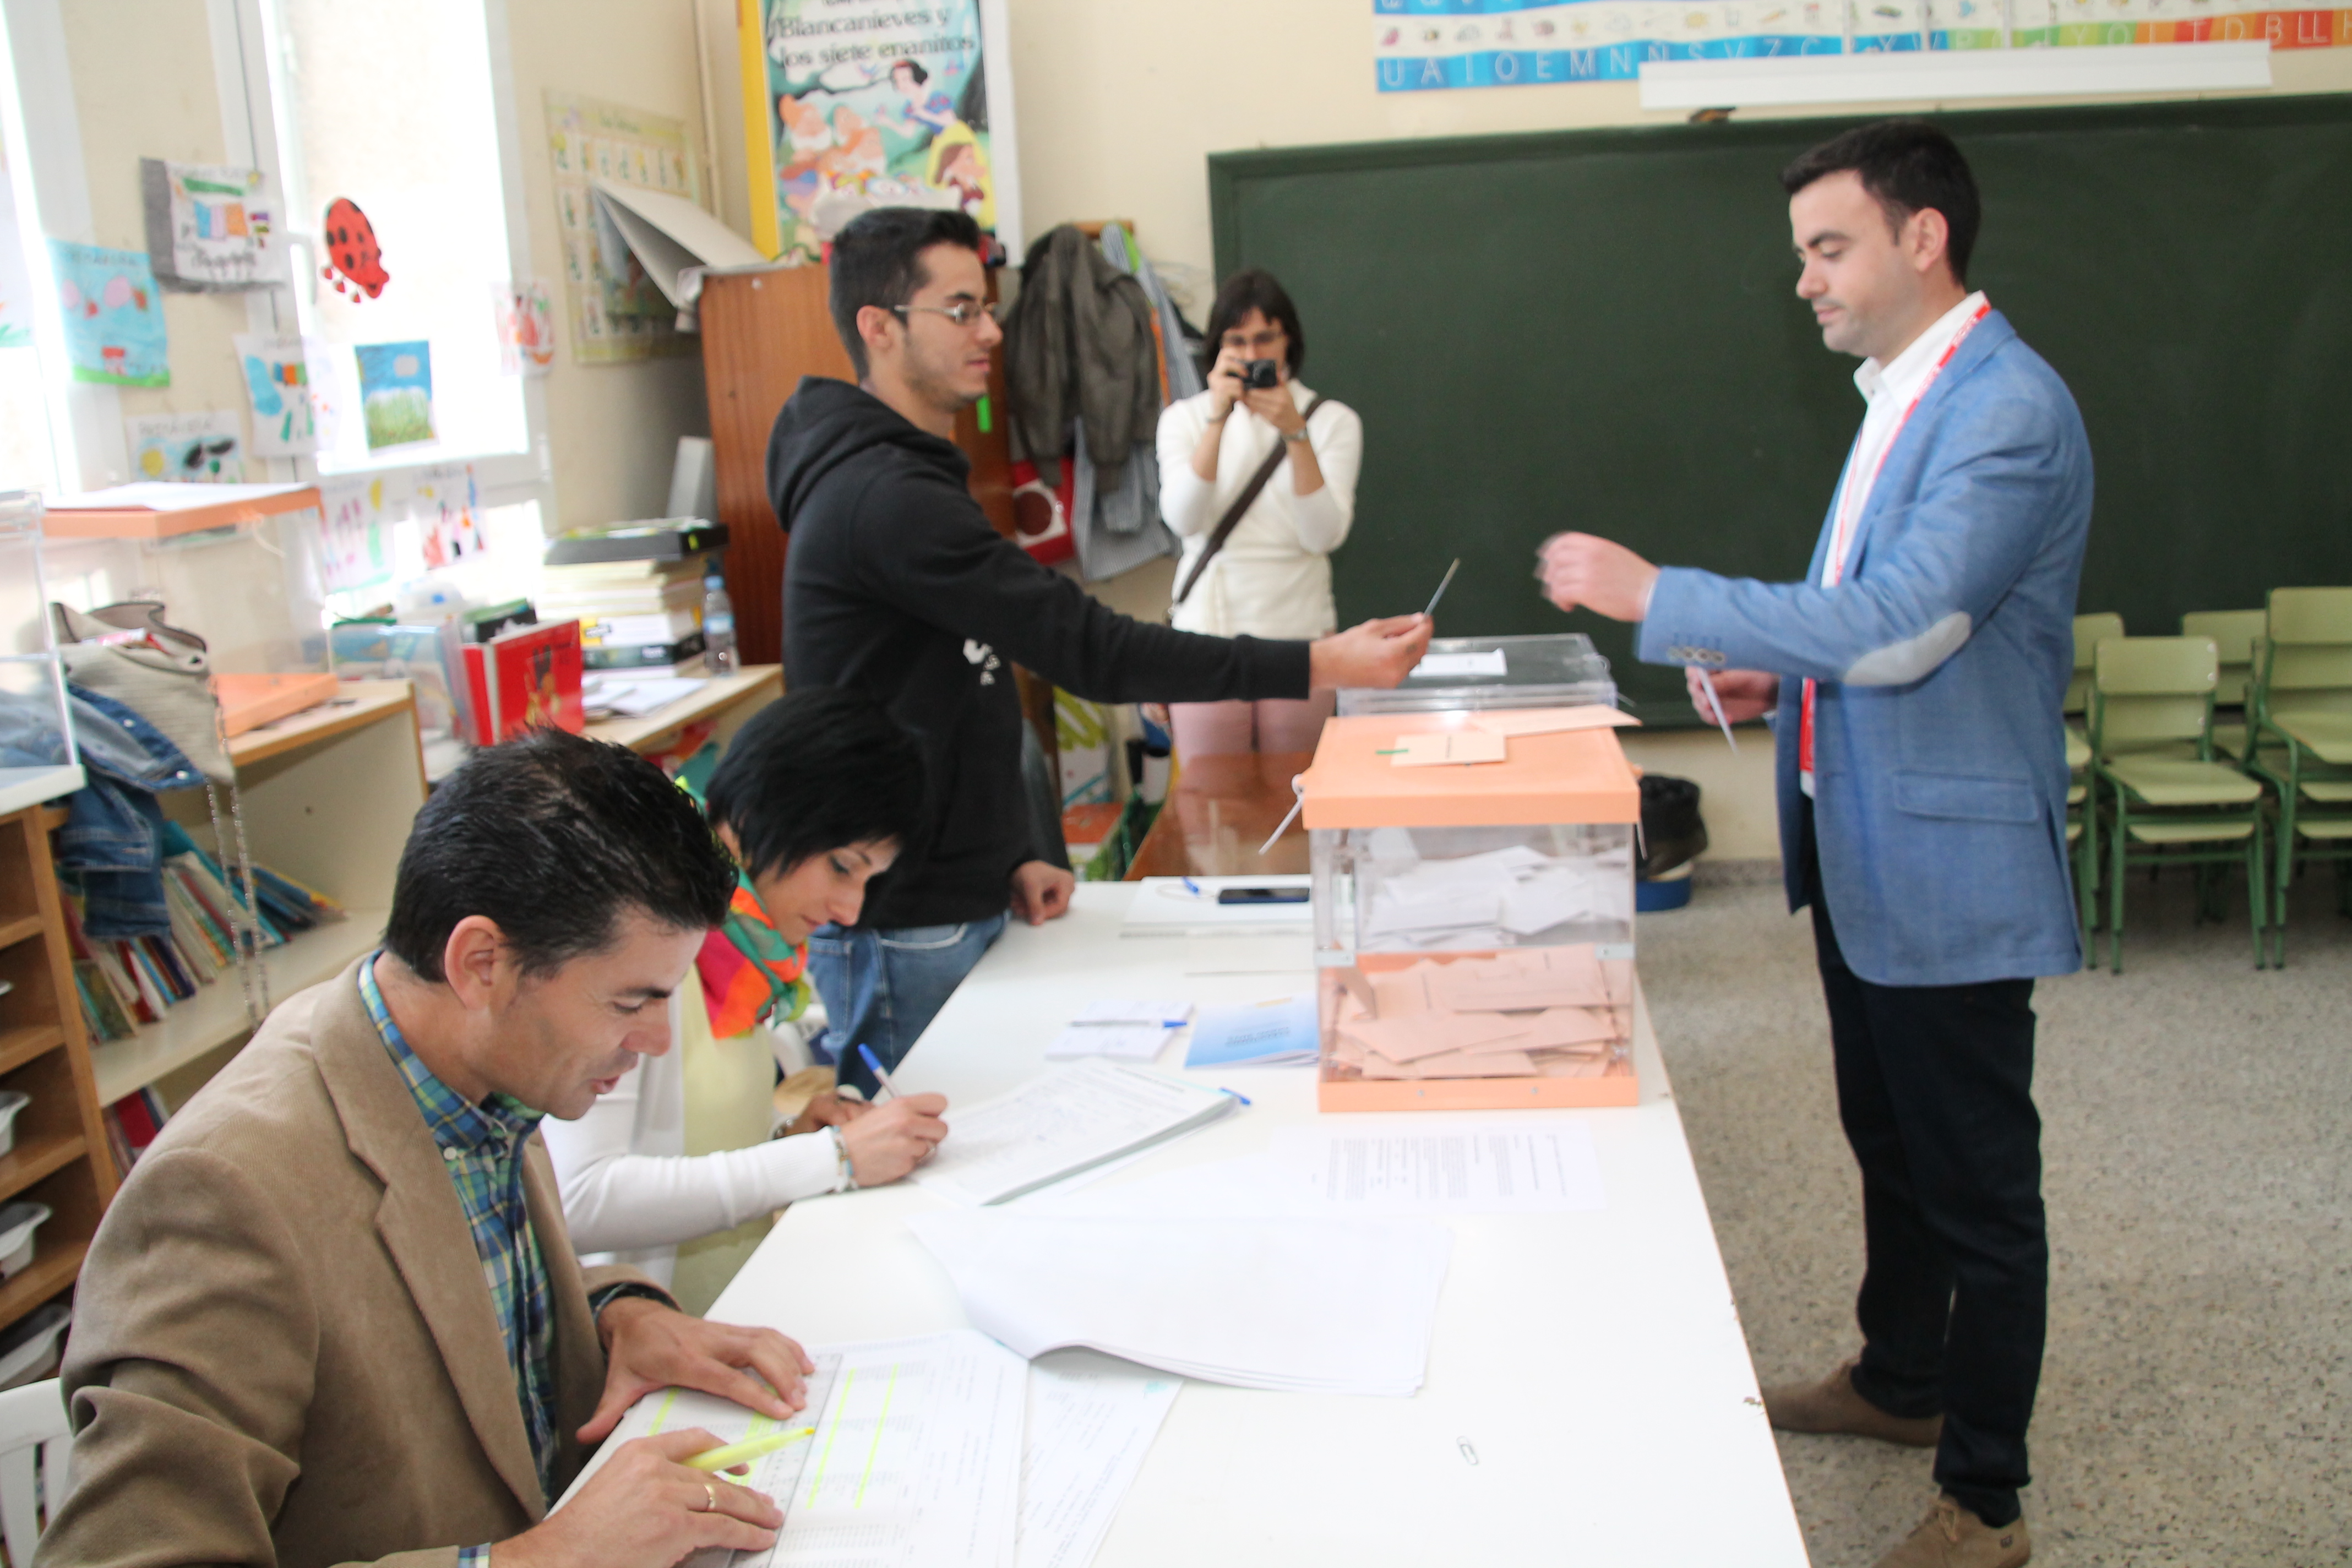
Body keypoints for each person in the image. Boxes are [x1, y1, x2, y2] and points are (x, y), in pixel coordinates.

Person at [1536, 119, 2088, 1568]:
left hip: (1950, 869)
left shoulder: (2003, 409)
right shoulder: (1900, 393)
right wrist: (1782, 677)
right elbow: (1899, 623)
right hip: (1867, 850)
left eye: (1828, 247)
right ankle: (1903, 1379)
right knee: (1890, 1145)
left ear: (1923, 239)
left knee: (1979, 1185)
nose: (1806, 282)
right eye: (1801, 255)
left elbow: (1908, 626)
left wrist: (1673, 598)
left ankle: (1987, 1499)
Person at [41, 730, 820, 1568]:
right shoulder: (222, 1194)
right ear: (481, 961)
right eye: (632, 1001)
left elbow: (448, 1296)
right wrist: (536, 1562)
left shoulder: (470, 1070)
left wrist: (610, 1319)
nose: (657, 1042)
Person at [765, 206, 1430, 1092]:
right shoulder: (883, 497)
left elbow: (951, 681)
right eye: (961, 310)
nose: (992, 331)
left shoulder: (908, 476)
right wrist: (1321, 662)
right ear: (879, 328)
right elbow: (1086, 647)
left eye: (988, 307)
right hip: (904, 917)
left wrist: (1003, 857)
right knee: (919, 1157)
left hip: (952, 890)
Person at [543, 689, 950, 1298]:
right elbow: (579, 1198)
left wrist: (787, 1136)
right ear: (761, 813)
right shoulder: (644, 939)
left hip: (744, 1303)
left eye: (869, 879)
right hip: (660, 1338)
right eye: (842, 867)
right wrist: (830, 1160)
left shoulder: (751, 948)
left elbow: (696, 1146)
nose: (850, 908)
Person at [1156, 267, 1364, 761]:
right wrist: (1217, 421)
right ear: (1217, 347)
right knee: (1212, 807)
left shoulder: (1332, 421)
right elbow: (1184, 520)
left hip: (1300, 631)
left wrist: (1295, 434)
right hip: (1207, 631)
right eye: (1238, 341)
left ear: (1288, 340)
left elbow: (1323, 535)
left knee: (1294, 803)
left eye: (1265, 338)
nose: (1252, 356)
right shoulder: (1184, 419)